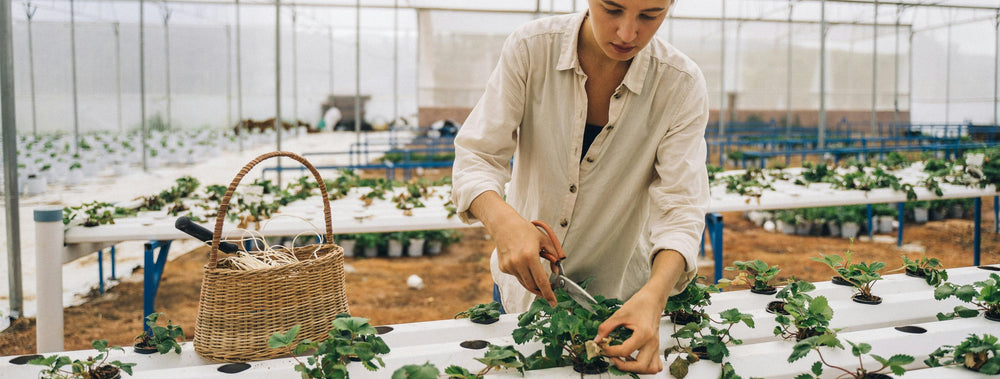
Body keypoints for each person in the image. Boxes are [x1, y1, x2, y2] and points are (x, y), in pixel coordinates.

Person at [450, 0, 708, 375]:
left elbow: (681, 207)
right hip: (523, 292)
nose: (627, 33)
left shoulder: (680, 84)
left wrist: (654, 298)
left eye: (650, 16)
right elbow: (477, 155)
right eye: (612, 9)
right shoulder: (531, 49)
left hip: (619, 303)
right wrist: (503, 221)